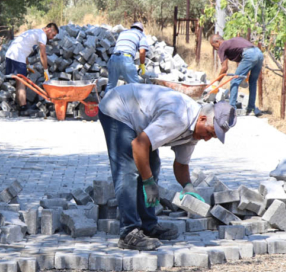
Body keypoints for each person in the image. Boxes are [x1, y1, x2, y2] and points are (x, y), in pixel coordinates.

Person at [98, 84, 237, 250]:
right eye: (209, 132)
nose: (207, 138)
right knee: (128, 170)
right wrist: (148, 182)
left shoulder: (195, 132)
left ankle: (149, 226)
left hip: (138, 116)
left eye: (212, 137)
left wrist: (188, 187)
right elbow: (138, 145)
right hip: (118, 108)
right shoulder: (178, 118)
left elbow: (181, 164)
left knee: (153, 164)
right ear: (202, 119)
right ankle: (129, 232)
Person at [5, 23, 59, 113]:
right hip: (17, 57)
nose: (52, 37)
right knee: (22, 81)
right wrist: (46, 71)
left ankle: (20, 105)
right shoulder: (42, 35)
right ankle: (23, 107)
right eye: (53, 35)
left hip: (10, 54)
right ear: (49, 30)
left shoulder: (34, 32)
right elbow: (42, 54)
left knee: (19, 80)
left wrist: (28, 64)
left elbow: (23, 47)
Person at [209, 34, 264, 116]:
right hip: (259, 53)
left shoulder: (222, 46)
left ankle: (232, 109)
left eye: (214, 46)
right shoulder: (233, 42)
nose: (215, 49)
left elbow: (224, 68)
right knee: (252, 82)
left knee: (234, 80)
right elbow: (244, 60)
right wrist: (244, 77)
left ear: (217, 41)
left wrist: (216, 83)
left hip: (250, 55)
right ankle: (251, 108)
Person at [106, 22, 150, 92]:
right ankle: (137, 102)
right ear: (141, 30)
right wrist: (142, 64)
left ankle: (105, 102)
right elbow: (142, 51)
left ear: (131, 27)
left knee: (110, 85)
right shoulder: (141, 35)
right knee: (135, 86)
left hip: (113, 57)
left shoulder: (123, 33)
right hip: (126, 58)